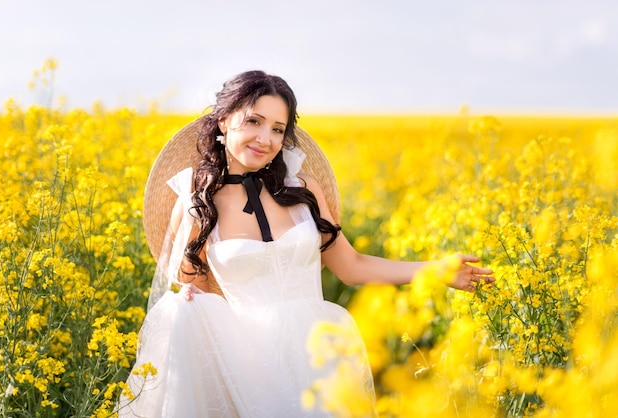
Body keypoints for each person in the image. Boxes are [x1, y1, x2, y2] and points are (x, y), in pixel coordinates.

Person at [118, 70, 495, 417]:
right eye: (254, 121)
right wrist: (186, 299)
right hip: (247, 362)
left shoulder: (302, 191)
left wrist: (434, 270)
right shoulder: (196, 202)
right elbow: (196, 294)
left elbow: (351, 266)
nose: (265, 139)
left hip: (318, 352)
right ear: (223, 121)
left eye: (278, 129)